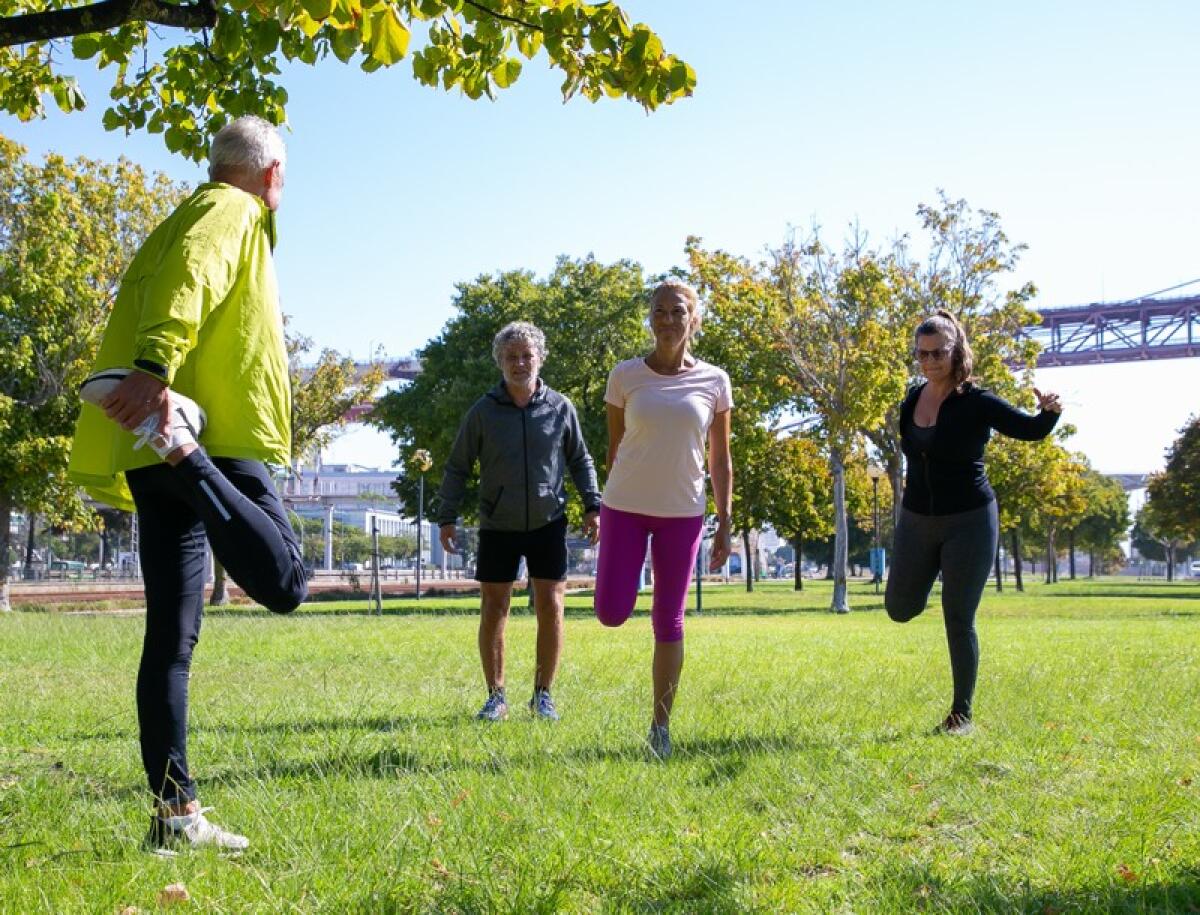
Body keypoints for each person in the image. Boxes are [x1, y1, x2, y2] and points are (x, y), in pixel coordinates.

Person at [68, 115, 307, 853]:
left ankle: (174, 818)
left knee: (170, 640)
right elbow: (192, 278)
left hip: (152, 445)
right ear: (272, 175)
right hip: (206, 436)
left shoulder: (176, 219)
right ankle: (183, 448)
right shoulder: (231, 208)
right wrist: (155, 369)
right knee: (286, 582)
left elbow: (173, 279)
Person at [884, 310, 1062, 735]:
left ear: (956, 351)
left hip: (969, 520)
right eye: (922, 354)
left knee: (958, 617)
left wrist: (1049, 413)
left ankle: (960, 716)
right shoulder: (912, 398)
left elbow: (1030, 429)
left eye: (937, 353)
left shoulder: (977, 402)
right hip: (917, 519)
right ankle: (932, 573)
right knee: (900, 609)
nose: (929, 361)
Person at [594, 280, 733, 759]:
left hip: (682, 511)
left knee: (669, 619)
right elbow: (614, 447)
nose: (668, 319)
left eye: (678, 311)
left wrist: (725, 519)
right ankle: (622, 585)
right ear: (650, 319)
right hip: (625, 507)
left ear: (693, 319)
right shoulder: (625, 376)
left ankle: (660, 728)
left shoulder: (715, 381)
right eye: (659, 311)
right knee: (611, 612)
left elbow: (720, 458)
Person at [437, 321, 601, 722]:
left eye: (527, 355)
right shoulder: (483, 411)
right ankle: (496, 697)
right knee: (494, 608)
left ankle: (543, 696)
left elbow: (580, 459)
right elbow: (457, 466)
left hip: (549, 522)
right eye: (511, 356)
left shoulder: (560, 407)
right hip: (498, 524)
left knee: (552, 605)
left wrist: (593, 505)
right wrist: (446, 516)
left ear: (540, 358)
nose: (520, 363)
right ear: (500, 362)